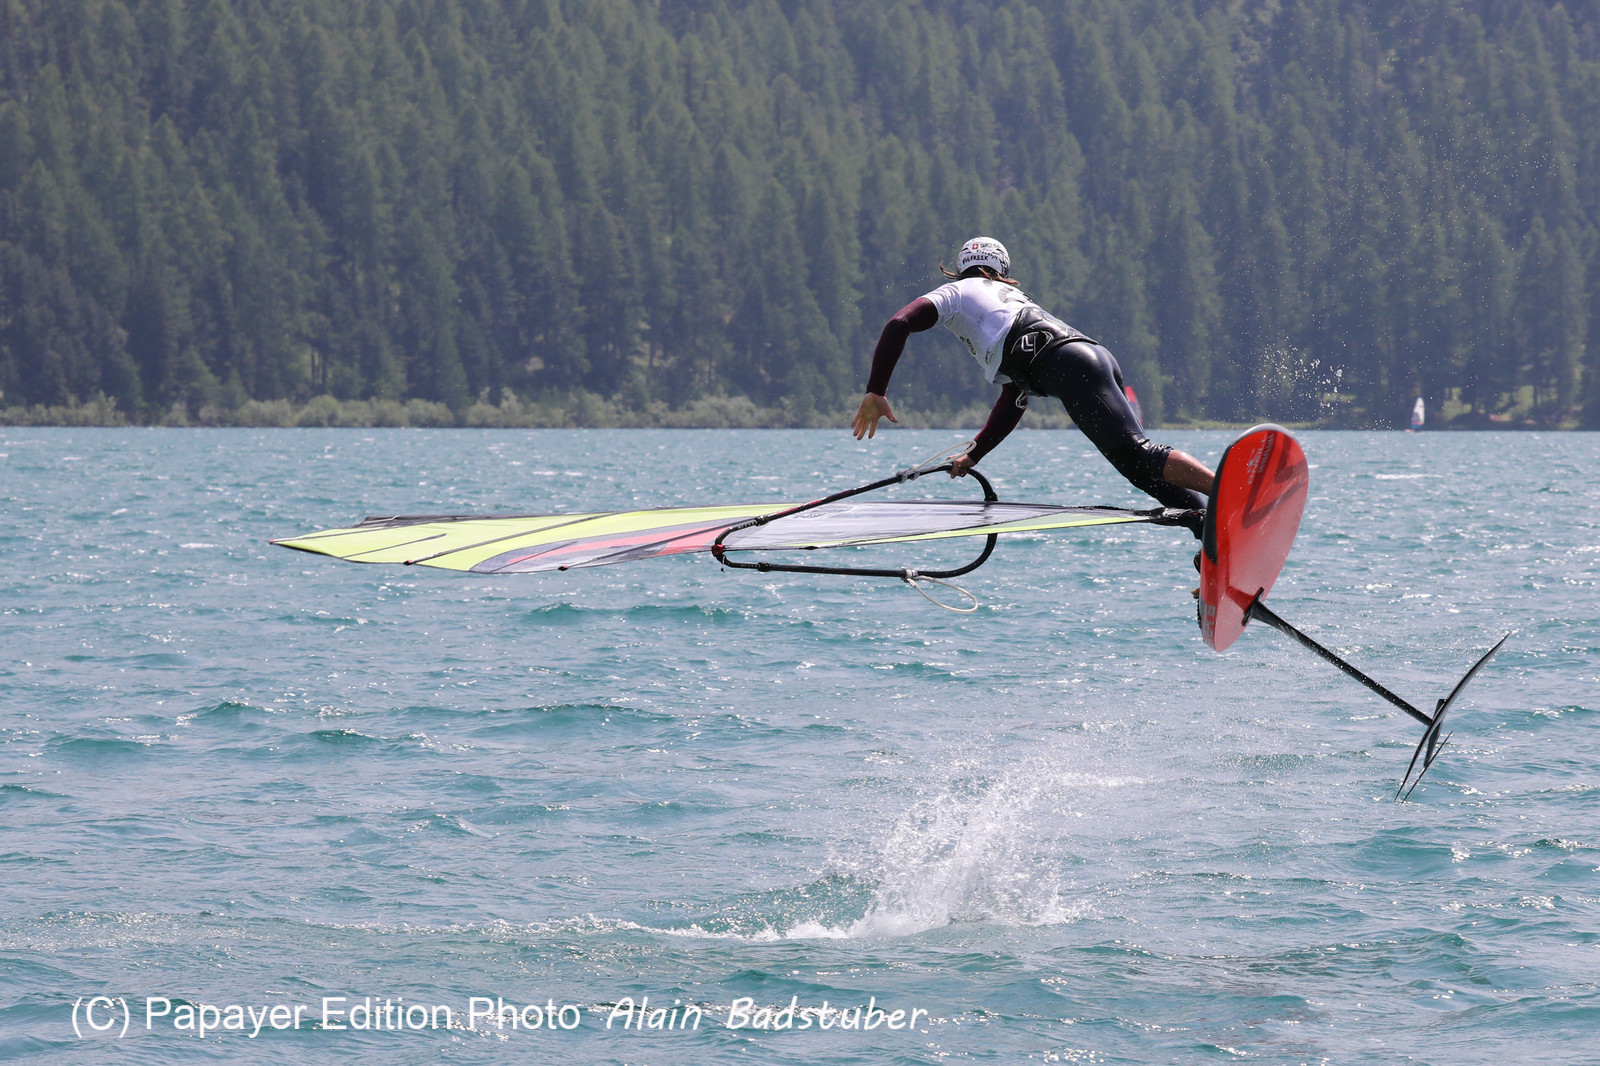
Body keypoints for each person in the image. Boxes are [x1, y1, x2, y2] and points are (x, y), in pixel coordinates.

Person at [850, 237, 1215, 517]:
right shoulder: (1004, 301)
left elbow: (899, 323)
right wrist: (974, 456)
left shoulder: (958, 291)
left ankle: (1228, 489)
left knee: (1139, 454)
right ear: (1000, 270)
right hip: (1084, 361)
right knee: (1136, 468)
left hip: (1070, 365)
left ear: (963, 269)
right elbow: (1014, 398)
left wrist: (875, 391)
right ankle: (1208, 528)